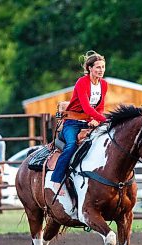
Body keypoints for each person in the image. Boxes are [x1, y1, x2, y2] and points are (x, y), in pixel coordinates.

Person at [50, 51, 108, 195]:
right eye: (98, 67)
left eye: (103, 67)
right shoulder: (82, 82)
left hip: (89, 122)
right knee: (70, 146)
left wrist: (96, 120)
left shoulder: (104, 84)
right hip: (72, 122)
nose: (101, 70)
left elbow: (100, 107)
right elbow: (87, 107)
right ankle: (56, 180)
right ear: (90, 68)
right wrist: (104, 120)